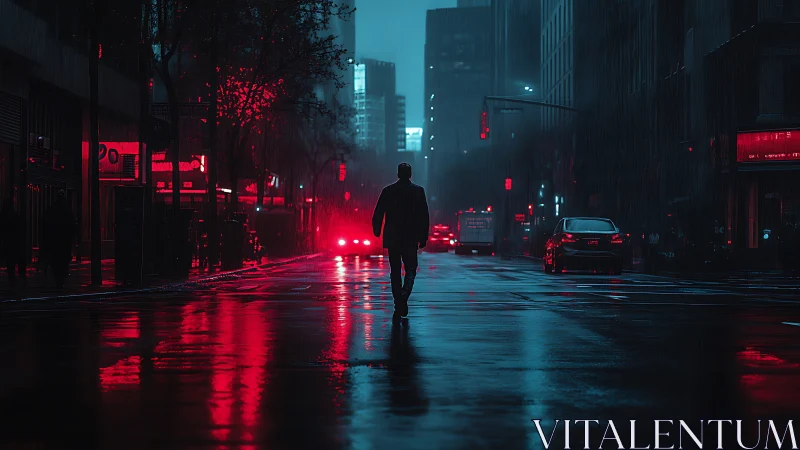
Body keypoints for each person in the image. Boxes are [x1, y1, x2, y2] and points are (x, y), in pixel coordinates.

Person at [372, 163, 430, 320]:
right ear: (410, 174)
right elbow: (424, 216)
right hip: (410, 238)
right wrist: (423, 236)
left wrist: (377, 230)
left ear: (398, 174)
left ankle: (398, 298)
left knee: (395, 270)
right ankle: (404, 294)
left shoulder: (388, 191)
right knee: (411, 269)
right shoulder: (418, 192)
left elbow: (378, 212)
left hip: (393, 237)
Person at [42, 191, 76, 288]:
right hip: (64, 242)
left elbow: (46, 225)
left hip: (56, 242)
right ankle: (60, 280)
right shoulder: (67, 211)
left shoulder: (52, 210)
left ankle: (58, 279)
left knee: (57, 262)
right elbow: (72, 225)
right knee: (62, 261)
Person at [0, 198, 26, 285]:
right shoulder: (16, 218)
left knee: (10, 263)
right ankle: (19, 280)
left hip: (8, 244)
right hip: (14, 244)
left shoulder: (4, 218)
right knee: (16, 262)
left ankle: (13, 279)